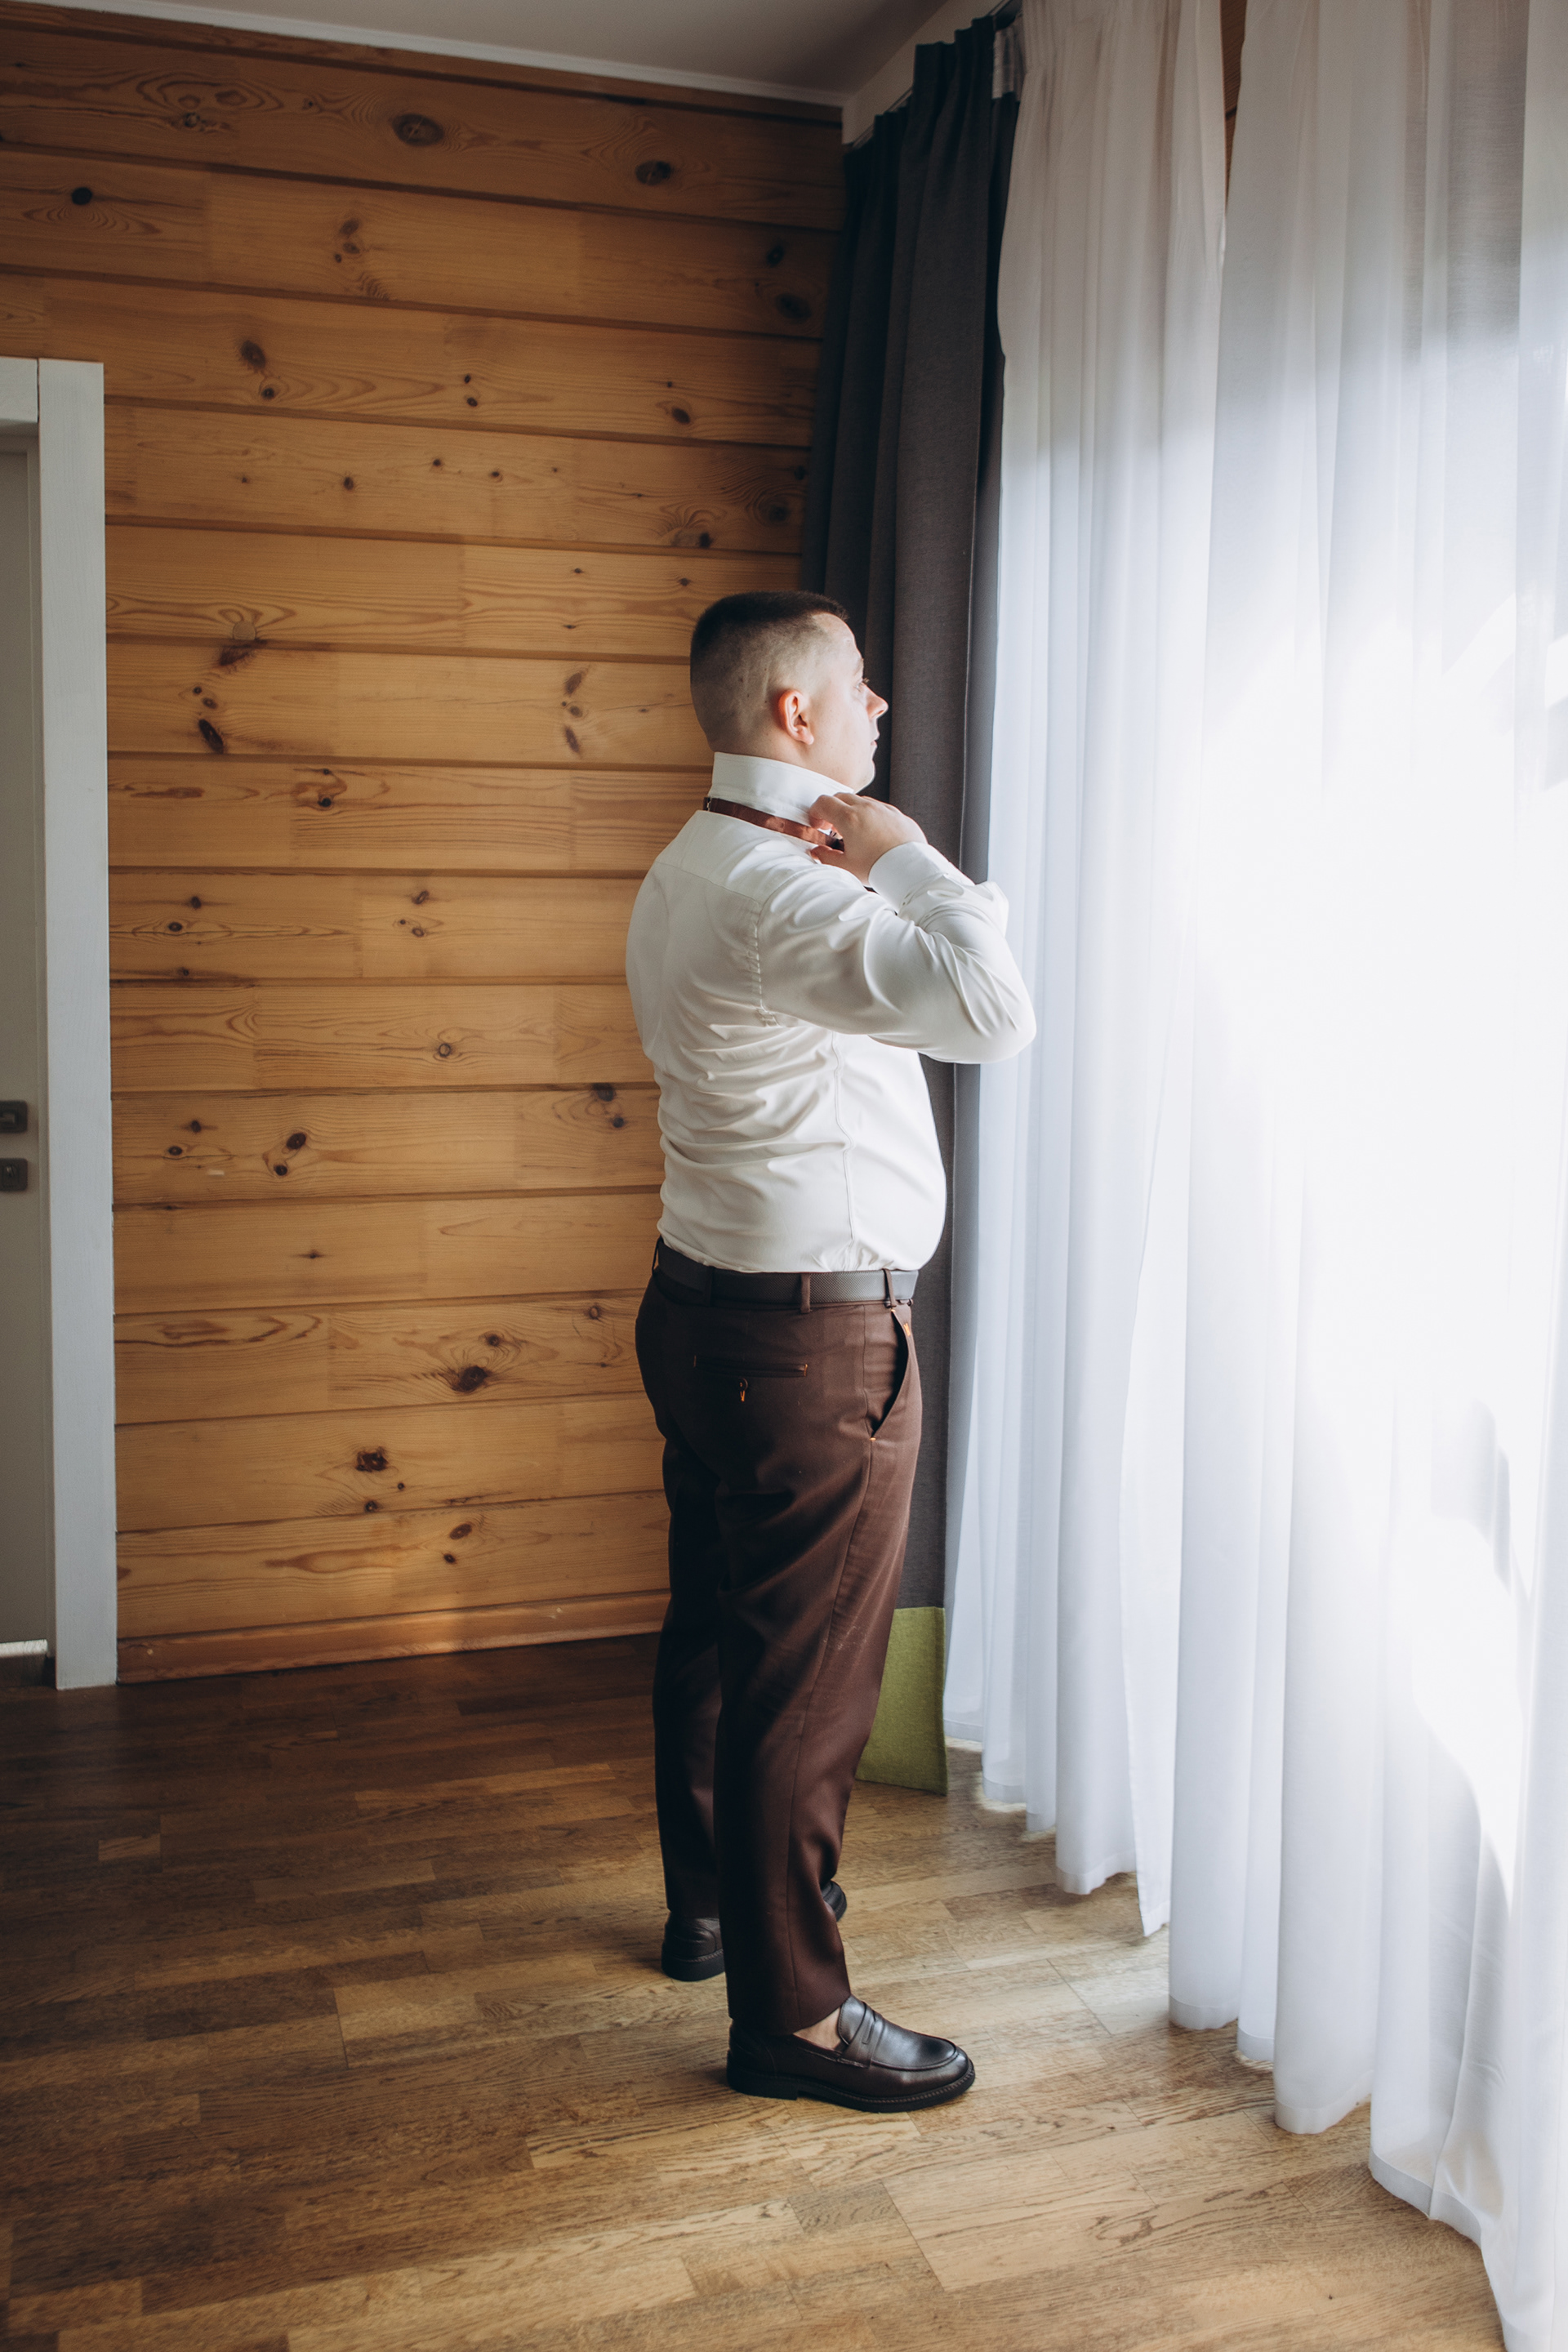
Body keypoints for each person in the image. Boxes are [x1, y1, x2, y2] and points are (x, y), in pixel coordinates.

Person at [626, 589, 1035, 2113]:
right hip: (810, 1345)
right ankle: (793, 2015)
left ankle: (713, 1908)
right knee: (805, 1682)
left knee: (717, 1633)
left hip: (706, 1310)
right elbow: (992, 1012)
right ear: (797, 713)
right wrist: (910, 856)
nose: (881, 705)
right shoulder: (782, 893)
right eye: (859, 684)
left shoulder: (694, 863)